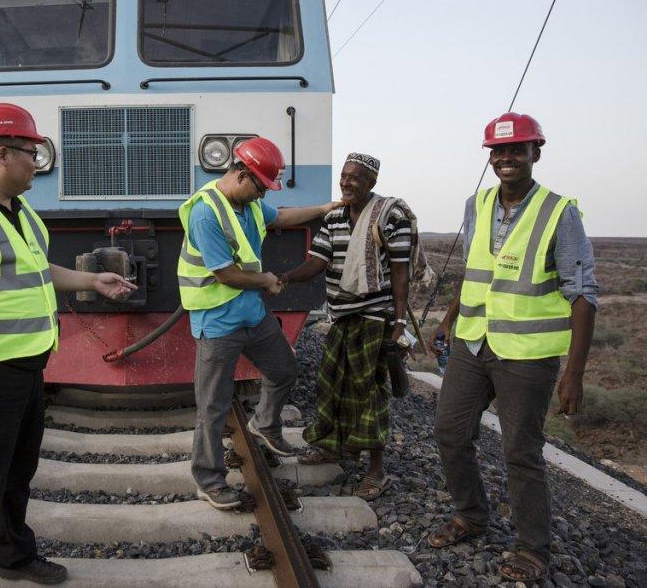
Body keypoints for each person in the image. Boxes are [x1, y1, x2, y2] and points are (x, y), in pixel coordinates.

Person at [0, 103, 135, 587]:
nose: (37, 165)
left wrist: (92, 280)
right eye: (32, 154)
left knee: (16, 475)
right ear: (2, 154)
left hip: (26, 369)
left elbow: (39, 272)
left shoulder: (19, 213)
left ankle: (15, 556)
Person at [428, 113, 597, 583]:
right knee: (450, 432)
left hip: (527, 355)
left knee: (521, 452)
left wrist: (574, 373)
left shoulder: (559, 212)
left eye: (516, 149)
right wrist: (448, 318)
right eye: (498, 151)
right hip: (473, 343)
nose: (506, 158)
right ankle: (470, 515)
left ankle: (532, 549)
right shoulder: (476, 204)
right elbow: (476, 271)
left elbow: (583, 293)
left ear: (534, 153)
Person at [177, 137, 339, 510]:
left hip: (251, 313)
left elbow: (280, 217)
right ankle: (208, 479)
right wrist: (267, 280)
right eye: (260, 187)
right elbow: (227, 276)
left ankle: (264, 424)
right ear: (240, 173)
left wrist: (324, 207)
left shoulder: (248, 204)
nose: (262, 195)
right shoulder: (206, 213)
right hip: (218, 321)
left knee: (284, 369)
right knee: (213, 407)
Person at [281, 153, 413, 502]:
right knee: (330, 381)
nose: (346, 183)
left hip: (375, 316)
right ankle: (331, 446)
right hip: (342, 314)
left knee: (368, 390)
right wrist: (284, 278)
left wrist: (398, 322)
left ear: (371, 182)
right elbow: (318, 261)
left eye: (355, 177)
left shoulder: (390, 216)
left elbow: (401, 271)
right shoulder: (336, 216)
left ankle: (375, 470)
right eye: (343, 176)